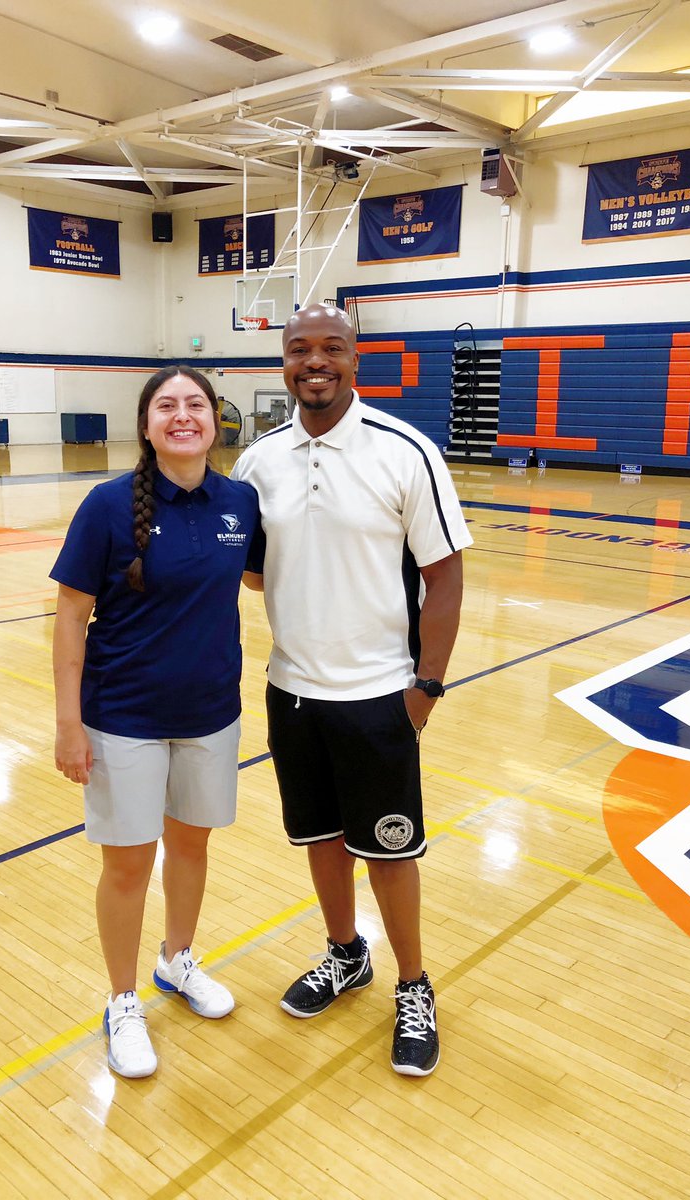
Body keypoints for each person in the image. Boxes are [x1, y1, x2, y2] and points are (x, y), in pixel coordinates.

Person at [231, 304, 471, 1076]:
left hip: (379, 696)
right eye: (299, 349)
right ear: (284, 363)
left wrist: (425, 685)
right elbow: (252, 563)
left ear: (355, 358)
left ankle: (413, 983)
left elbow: (444, 575)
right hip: (291, 692)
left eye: (331, 347)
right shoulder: (259, 460)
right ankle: (345, 954)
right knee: (322, 841)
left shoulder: (408, 451)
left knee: (390, 852)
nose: (315, 361)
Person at [51, 365, 259, 1079]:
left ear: (215, 420)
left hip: (210, 712)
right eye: (165, 405)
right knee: (130, 863)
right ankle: (122, 999)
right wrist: (68, 724)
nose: (182, 415)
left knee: (192, 846)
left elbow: (262, 577)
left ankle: (177, 961)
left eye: (195, 404)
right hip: (123, 716)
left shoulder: (241, 501)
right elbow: (72, 618)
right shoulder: (107, 506)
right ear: (145, 425)